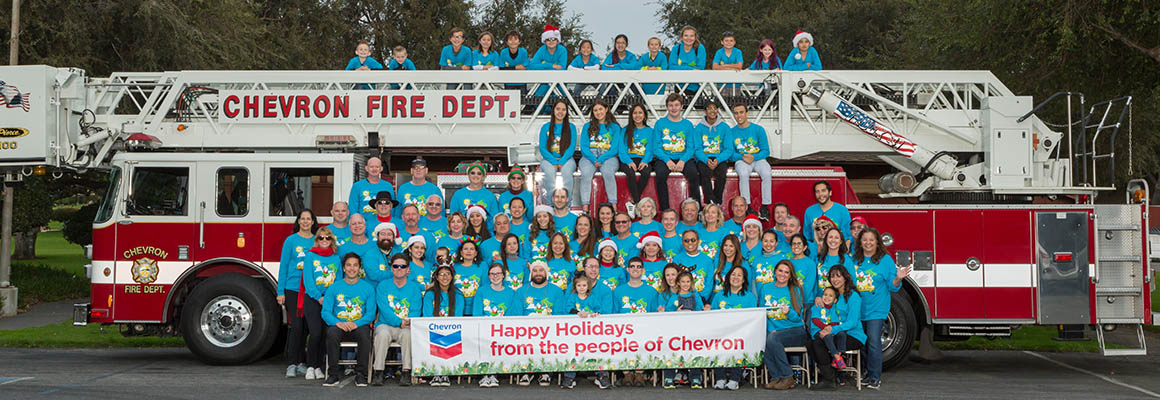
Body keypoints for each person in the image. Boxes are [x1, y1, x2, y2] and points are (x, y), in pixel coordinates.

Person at [853, 228, 910, 390]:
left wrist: (898, 278)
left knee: (873, 342)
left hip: (877, 309)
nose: (868, 243)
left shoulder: (885, 260)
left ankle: (875, 377)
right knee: (862, 343)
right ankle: (866, 372)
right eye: (865, 240)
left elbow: (893, 287)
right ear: (860, 242)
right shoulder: (854, 260)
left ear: (877, 242)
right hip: (858, 310)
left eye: (871, 240)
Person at [321, 253, 377, 387]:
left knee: (365, 335)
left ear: (360, 268)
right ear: (344, 268)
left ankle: (361, 374)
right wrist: (338, 323)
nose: (352, 268)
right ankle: (333, 374)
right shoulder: (334, 287)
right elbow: (325, 312)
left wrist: (356, 323)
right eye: (348, 265)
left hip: (358, 325)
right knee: (332, 333)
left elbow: (370, 313)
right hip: (339, 324)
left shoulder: (368, 288)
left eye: (355, 265)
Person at [278, 209, 318, 378]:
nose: (305, 222)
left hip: (310, 290)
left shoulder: (318, 241)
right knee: (297, 325)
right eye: (303, 219)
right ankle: (292, 363)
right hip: (293, 288)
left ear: (313, 222)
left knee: (308, 327)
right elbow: (284, 267)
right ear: (298, 221)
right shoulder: (291, 241)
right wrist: (281, 291)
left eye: (309, 219)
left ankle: (303, 362)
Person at [809, 265, 863, 390]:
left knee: (818, 343)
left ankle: (829, 379)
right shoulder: (832, 295)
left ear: (845, 278)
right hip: (835, 332)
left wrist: (832, 329)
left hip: (853, 334)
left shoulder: (853, 296)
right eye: (832, 276)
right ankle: (831, 375)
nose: (835, 279)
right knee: (811, 342)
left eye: (838, 276)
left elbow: (853, 322)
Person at [372, 254, 422, 386]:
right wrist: (399, 322)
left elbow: (416, 309)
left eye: (403, 266)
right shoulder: (383, 286)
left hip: (406, 325)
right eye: (396, 266)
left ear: (408, 269)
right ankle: (378, 371)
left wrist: (408, 321)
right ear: (391, 269)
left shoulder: (414, 287)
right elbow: (384, 309)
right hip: (386, 324)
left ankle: (406, 371)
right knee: (382, 334)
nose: (399, 268)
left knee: (407, 335)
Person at [758, 260, 808, 390]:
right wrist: (771, 329)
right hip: (775, 331)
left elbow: (798, 319)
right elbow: (762, 313)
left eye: (786, 272)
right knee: (765, 339)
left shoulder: (795, 290)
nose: (783, 274)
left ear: (790, 275)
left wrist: (789, 312)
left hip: (795, 330)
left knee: (772, 339)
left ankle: (787, 375)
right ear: (775, 272)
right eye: (780, 271)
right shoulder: (765, 288)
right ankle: (776, 377)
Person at [560, 272, 613, 390]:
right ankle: (569, 377)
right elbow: (568, 308)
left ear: (588, 286)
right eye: (579, 285)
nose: (581, 288)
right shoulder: (573, 297)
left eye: (584, 285)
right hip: (575, 332)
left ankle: (601, 376)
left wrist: (595, 314)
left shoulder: (592, 298)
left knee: (596, 351)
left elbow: (599, 309)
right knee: (573, 352)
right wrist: (577, 313)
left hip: (591, 332)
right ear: (575, 286)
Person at [516, 261, 564, 385]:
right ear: (531, 273)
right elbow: (516, 313)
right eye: (535, 270)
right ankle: (526, 370)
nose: (538, 273)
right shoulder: (521, 291)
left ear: (546, 273)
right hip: (526, 330)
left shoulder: (557, 291)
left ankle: (546, 371)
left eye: (541, 270)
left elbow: (559, 313)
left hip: (548, 329)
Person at [709, 265, 757, 390]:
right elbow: (712, 316)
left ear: (744, 280)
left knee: (739, 343)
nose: (735, 277)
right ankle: (720, 378)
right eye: (733, 274)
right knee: (716, 342)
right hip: (721, 333)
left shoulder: (750, 297)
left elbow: (752, 319)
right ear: (728, 277)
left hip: (741, 334)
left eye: (739, 275)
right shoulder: (719, 296)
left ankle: (735, 379)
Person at [611, 257, 657, 387]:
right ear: (627, 269)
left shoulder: (651, 291)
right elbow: (614, 312)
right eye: (632, 266)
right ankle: (627, 373)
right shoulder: (619, 291)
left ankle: (639, 373)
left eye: (638, 267)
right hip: (624, 330)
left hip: (644, 329)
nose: (635, 269)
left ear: (643, 270)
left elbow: (654, 314)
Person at [661, 270, 707, 389]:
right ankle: (669, 377)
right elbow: (667, 313)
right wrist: (677, 313)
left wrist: (693, 313)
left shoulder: (695, 295)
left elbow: (700, 310)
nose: (685, 284)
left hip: (693, 330)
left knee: (694, 352)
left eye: (688, 281)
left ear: (691, 283)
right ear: (678, 283)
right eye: (683, 282)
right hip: (676, 331)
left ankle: (695, 378)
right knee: (672, 352)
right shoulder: (674, 298)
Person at [652, 93, 700, 210]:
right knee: (660, 175)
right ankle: (665, 210)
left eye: (676, 105)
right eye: (671, 105)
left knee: (694, 174)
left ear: (681, 107)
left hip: (683, 157)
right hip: (664, 158)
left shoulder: (687, 125)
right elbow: (656, 147)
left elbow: (691, 147)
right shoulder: (660, 123)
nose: (674, 108)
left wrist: (683, 161)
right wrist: (667, 160)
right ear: (667, 107)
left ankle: (696, 209)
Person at [473, 262, 517, 387]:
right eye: (492, 274)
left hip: (502, 329)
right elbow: (477, 312)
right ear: (488, 276)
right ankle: (484, 374)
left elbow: (512, 313)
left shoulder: (510, 292)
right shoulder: (481, 291)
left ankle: (494, 374)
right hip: (484, 327)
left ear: (503, 275)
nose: (495, 276)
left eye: (498, 273)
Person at [421, 265, 465, 387]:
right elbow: (427, 315)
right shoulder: (430, 294)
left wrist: (447, 329)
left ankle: (445, 373)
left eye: (447, 274)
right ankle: (436, 373)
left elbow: (458, 317)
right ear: (436, 277)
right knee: (435, 339)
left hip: (452, 329)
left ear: (452, 277)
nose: (445, 277)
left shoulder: (458, 294)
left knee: (450, 339)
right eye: (441, 274)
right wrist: (437, 329)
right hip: (433, 328)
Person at [730, 104, 774, 219]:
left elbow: (766, 151)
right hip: (742, 160)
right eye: (736, 113)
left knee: (766, 173)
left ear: (747, 113)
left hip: (758, 159)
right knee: (743, 174)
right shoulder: (731, 132)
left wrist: (753, 157)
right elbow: (730, 154)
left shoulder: (758, 129)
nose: (739, 115)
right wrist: (742, 156)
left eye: (741, 112)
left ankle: (765, 206)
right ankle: (748, 206)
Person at [579, 100, 622, 207]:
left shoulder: (615, 127)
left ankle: (613, 205)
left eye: (600, 109)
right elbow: (584, 147)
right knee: (585, 173)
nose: (598, 112)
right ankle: (585, 205)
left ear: (606, 109)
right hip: (589, 156)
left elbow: (615, 148)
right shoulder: (587, 126)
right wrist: (594, 159)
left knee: (608, 172)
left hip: (609, 156)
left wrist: (602, 158)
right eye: (595, 110)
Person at [538, 100, 578, 204]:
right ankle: (551, 203)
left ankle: (567, 203)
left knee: (566, 173)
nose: (560, 112)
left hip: (567, 158)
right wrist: (554, 162)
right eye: (558, 109)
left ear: (566, 112)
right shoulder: (545, 127)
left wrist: (562, 161)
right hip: (548, 159)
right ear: (553, 111)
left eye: (563, 109)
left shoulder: (571, 127)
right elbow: (542, 148)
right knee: (550, 173)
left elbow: (571, 147)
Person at [693, 102, 732, 205]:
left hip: (720, 157)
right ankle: (709, 200)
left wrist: (718, 160)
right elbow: (697, 149)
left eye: (715, 108)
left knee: (722, 173)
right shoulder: (698, 128)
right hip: (704, 157)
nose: (712, 111)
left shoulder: (725, 127)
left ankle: (717, 201)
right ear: (705, 111)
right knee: (704, 172)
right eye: (709, 108)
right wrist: (706, 160)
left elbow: (728, 149)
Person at [618, 104, 654, 210]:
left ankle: (633, 202)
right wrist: (629, 161)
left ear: (644, 115)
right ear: (631, 115)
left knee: (646, 172)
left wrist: (645, 161)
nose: (637, 115)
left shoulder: (649, 131)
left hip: (643, 159)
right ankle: (638, 203)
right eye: (635, 113)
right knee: (630, 173)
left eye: (640, 112)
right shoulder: (625, 130)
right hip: (627, 160)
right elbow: (622, 150)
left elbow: (650, 149)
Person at [671, 230, 714, 302]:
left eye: (693, 240)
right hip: (681, 299)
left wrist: (701, 299)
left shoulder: (708, 260)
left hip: (701, 299)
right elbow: (674, 281)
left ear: (698, 241)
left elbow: (709, 283)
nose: (690, 243)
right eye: (686, 240)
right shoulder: (677, 259)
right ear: (682, 243)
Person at [811, 287, 847, 371]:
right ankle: (837, 357)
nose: (827, 297)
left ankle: (838, 356)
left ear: (835, 300)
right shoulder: (817, 306)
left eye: (830, 296)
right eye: (825, 294)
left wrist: (829, 328)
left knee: (842, 334)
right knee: (828, 337)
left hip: (830, 330)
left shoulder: (834, 308)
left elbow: (835, 322)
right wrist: (825, 328)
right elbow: (815, 320)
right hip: (818, 330)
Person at [349, 157, 394, 222]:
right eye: (371, 167)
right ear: (366, 168)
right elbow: (353, 208)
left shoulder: (388, 186)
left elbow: (392, 208)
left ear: (381, 169)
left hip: (384, 224)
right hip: (363, 225)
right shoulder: (357, 186)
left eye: (377, 167)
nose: (374, 169)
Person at [530, 24, 569, 96]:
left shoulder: (562, 50)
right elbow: (531, 66)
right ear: (544, 41)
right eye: (548, 39)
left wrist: (542, 66)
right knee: (538, 97)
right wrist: (551, 65)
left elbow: (562, 68)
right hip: (543, 80)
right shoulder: (541, 50)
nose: (551, 41)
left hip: (559, 81)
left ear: (557, 40)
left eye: (554, 39)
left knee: (563, 98)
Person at [339, 215, 381, 283]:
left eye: (360, 223)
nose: (357, 226)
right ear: (349, 227)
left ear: (365, 225)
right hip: (351, 288)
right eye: (354, 224)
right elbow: (340, 272)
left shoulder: (376, 246)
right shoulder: (343, 248)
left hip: (372, 287)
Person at [816, 227, 855, 299]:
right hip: (822, 300)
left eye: (836, 238)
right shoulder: (819, 259)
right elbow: (815, 282)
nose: (833, 240)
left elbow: (852, 283)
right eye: (830, 237)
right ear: (826, 240)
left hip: (841, 301)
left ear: (841, 241)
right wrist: (818, 296)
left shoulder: (846, 260)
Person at [669, 25, 707, 94]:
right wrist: (690, 69)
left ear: (695, 37)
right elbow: (672, 67)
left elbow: (700, 68)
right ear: (682, 37)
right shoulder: (676, 48)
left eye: (691, 36)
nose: (688, 38)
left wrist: (681, 68)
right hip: (679, 86)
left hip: (696, 87)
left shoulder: (700, 48)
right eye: (686, 35)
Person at [362, 222, 402, 288]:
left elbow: (405, 273)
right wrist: (396, 273)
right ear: (377, 236)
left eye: (389, 234)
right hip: (375, 292)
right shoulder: (369, 254)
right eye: (382, 234)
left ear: (393, 237)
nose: (386, 237)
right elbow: (374, 275)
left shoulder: (399, 254)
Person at [453, 240, 485, 315]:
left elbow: (485, 287)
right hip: (457, 309)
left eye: (471, 249)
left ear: (476, 253)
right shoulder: (454, 267)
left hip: (476, 309)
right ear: (461, 252)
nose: (468, 251)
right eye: (465, 249)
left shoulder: (483, 266)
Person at [787, 234, 817, 300]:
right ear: (791, 246)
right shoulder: (787, 262)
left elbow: (809, 286)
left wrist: (800, 300)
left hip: (805, 301)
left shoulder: (810, 263)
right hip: (790, 300)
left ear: (805, 247)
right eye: (794, 244)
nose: (796, 246)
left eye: (799, 244)